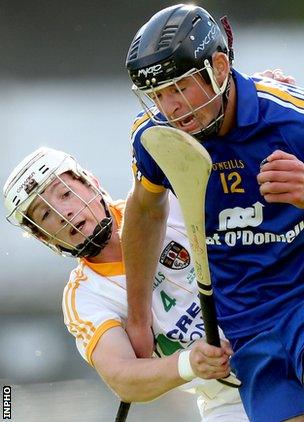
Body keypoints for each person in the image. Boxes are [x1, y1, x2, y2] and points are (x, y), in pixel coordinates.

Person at [122, 4, 304, 422]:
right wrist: (137, 318)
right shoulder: (154, 140)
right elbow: (146, 212)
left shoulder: (291, 119)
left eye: (180, 88)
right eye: (158, 94)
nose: (171, 108)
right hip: (248, 327)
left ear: (219, 68)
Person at [3, 146, 249, 421]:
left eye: (65, 194)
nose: (64, 213)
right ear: (43, 238)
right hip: (229, 400)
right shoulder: (85, 297)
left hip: (277, 336)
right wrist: (189, 363)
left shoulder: (159, 203)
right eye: (46, 215)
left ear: (91, 182)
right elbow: (123, 379)